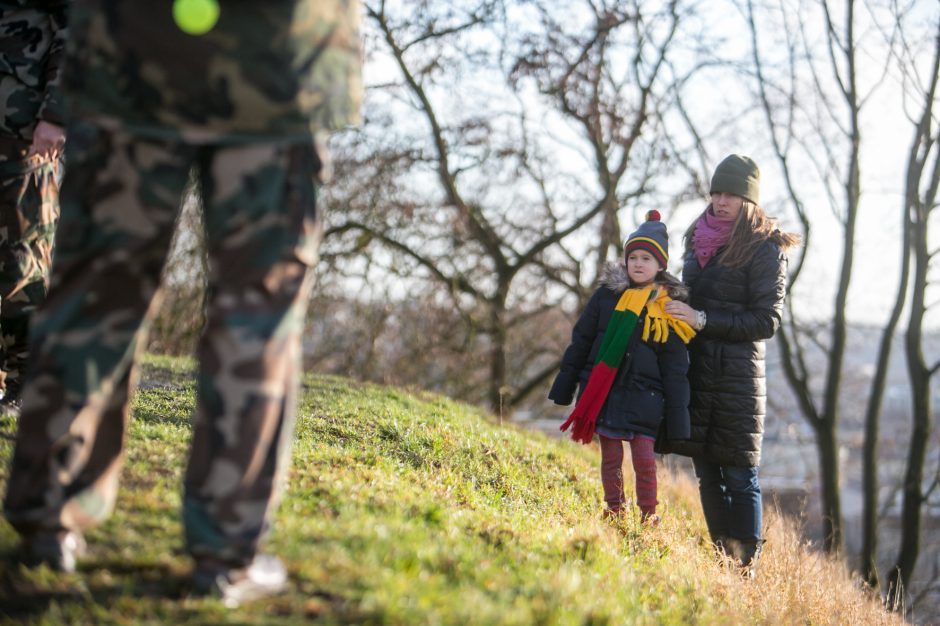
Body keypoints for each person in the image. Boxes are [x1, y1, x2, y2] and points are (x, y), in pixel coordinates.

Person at [3, 0, 361, 607]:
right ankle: (224, 553)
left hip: (130, 50)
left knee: (97, 289)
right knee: (257, 310)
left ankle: (49, 520)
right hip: (272, 61)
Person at [663, 154, 800, 578]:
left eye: (731, 194)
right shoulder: (696, 237)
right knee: (706, 474)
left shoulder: (766, 247)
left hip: (738, 379)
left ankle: (745, 570)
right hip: (695, 372)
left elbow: (766, 320)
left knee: (739, 476)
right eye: (716, 192)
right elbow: (697, 296)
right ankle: (722, 562)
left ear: (749, 200)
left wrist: (703, 320)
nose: (721, 201)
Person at [549, 211, 695, 524]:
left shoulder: (666, 309)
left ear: (660, 266)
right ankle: (615, 510)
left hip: (646, 401)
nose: (639, 264)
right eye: (633, 257)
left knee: (644, 461)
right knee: (610, 458)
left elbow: (675, 368)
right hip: (606, 395)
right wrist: (565, 386)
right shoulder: (606, 298)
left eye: (647, 258)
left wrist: (679, 418)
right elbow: (582, 342)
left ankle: (649, 515)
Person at [0, 1, 68, 415]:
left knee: (21, 261)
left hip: (22, 133)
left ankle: (29, 384)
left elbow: (75, 32)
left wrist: (57, 113)